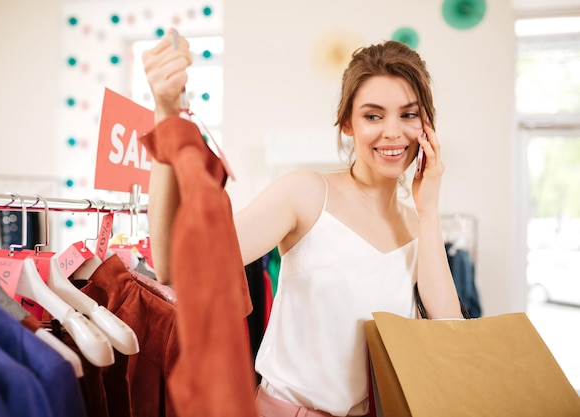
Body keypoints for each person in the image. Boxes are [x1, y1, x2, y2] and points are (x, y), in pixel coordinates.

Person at [142, 31, 462, 417]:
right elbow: (176, 267)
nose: (393, 131)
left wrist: (429, 209)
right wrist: (166, 114)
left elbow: (450, 331)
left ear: (425, 125)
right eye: (373, 115)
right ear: (347, 123)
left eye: (408, 114)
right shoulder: (307, 194)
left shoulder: (416, 224)